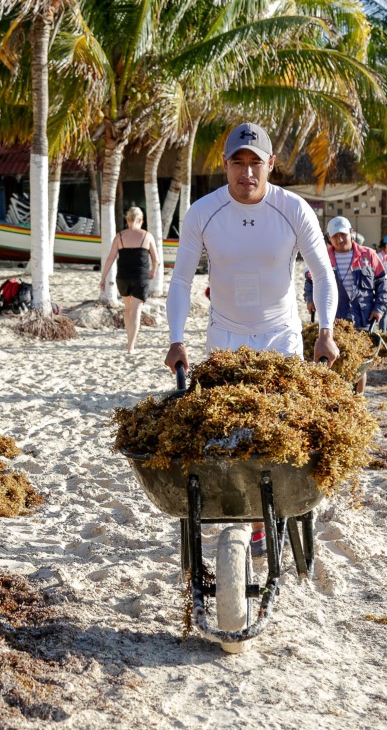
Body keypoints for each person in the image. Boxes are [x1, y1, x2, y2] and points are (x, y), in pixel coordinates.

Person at [165, 121, 339, 557]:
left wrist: (326, 332)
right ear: (225, 165)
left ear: (271, 165)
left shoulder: (294, 209)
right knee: (230, 433)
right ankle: (245, 515)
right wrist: (176, 338)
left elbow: (322, 272)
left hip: (281, 336)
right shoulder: (203, 212)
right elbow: (182, 279)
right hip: (225, 335)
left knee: (278, 435)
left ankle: (268, 516)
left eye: (255, 163)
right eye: (238, 163)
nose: (247, 173)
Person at [306, 215, 387, 394]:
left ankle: (358, 398)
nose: (340, 239)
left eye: (343, 234)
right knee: (336, 360)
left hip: (363, 316)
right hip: (336, 318)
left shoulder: (368, 255)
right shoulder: (322, 257)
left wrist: (378, 308)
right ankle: (339, 396)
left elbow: (382, 282)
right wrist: (310, 299)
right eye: (335, 236)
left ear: (351, 233)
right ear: (329, 238)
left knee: (359, 363)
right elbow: (310, 280)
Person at [100, 205, 160, 354]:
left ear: (127, 219)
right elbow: (156, 260)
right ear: (141, 220)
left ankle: (129, 341)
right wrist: (153, 271)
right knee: (136, 311)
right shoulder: (147, 236)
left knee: (128, 310)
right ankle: (131, 347)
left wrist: (103, 278)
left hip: (123, 278)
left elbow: (110, 258)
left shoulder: (119, 236)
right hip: (140, 277)